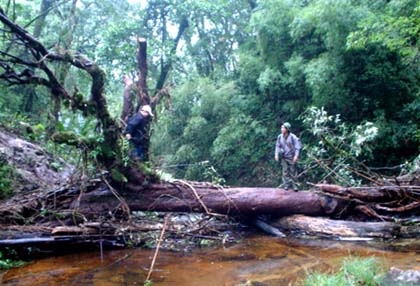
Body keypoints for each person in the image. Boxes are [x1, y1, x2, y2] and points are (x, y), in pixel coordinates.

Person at [274, 122, 302, 191]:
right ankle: (285, 185)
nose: (281, 129)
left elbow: (297, 147)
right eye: (281, 127)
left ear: (287, 129)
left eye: (283, 128)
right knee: (285, 171)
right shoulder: (280, 137)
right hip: (284, 157)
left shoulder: (293, 137)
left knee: (293, 172)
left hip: (291, 157)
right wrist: (276, 154)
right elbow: (277, 146)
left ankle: (295, 186)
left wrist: (296, 156)